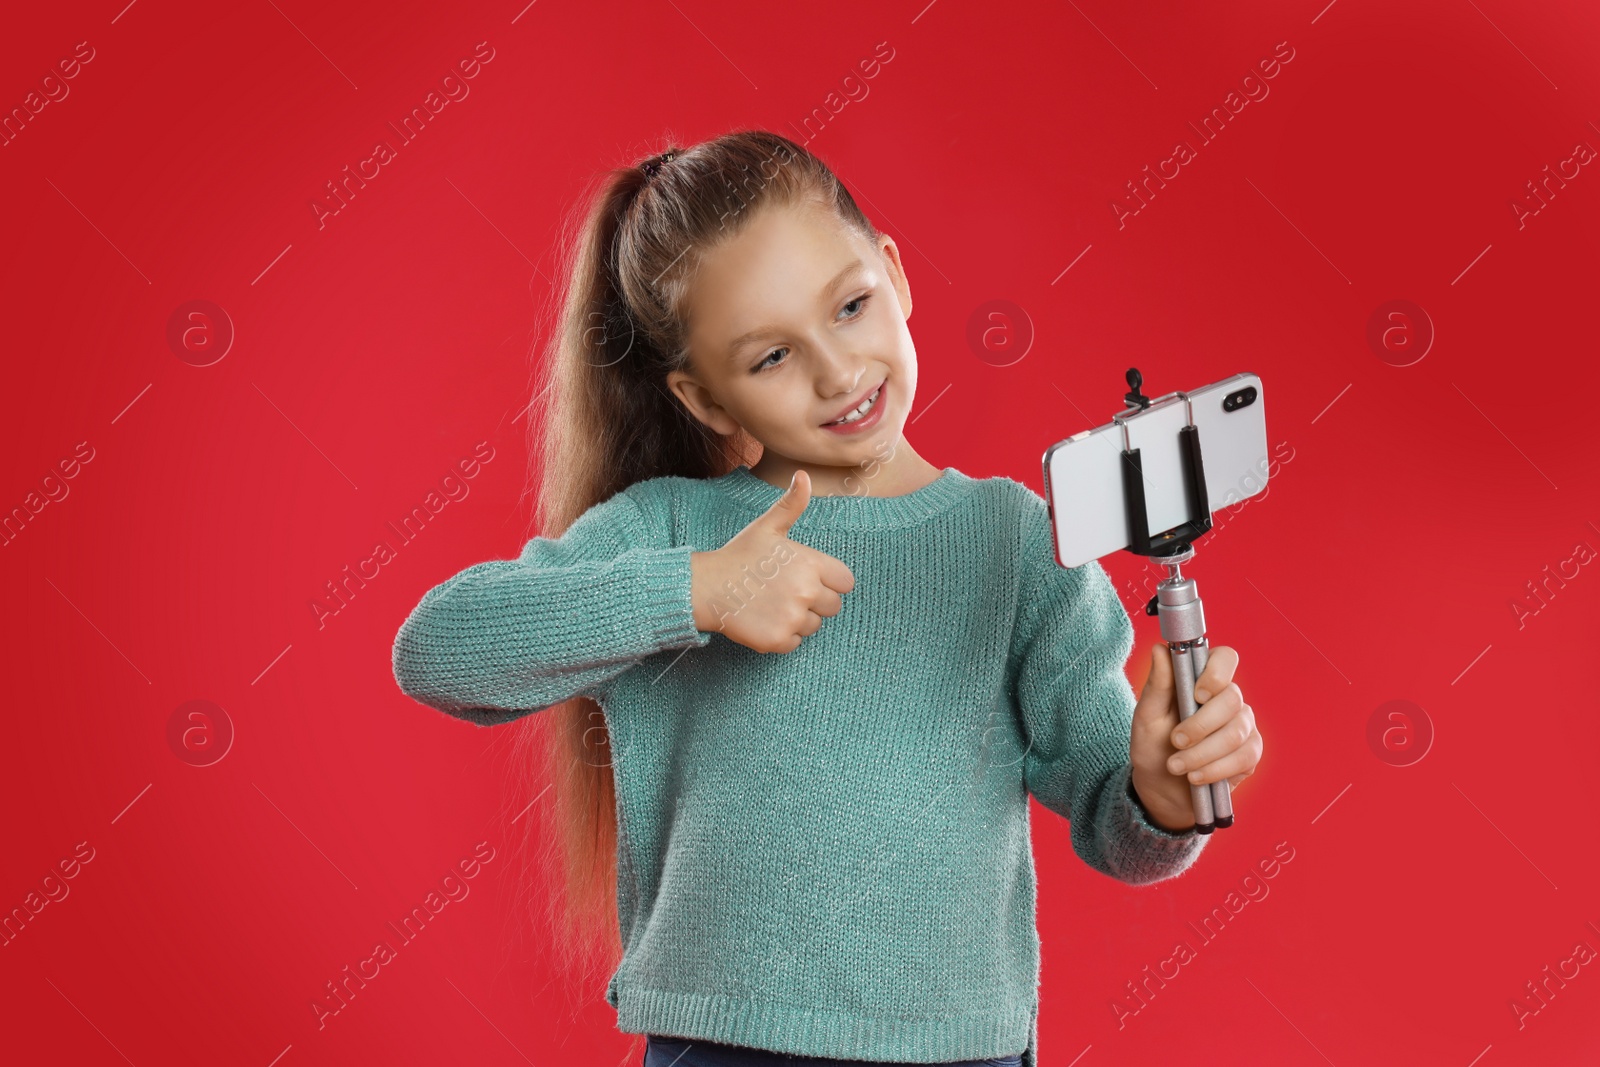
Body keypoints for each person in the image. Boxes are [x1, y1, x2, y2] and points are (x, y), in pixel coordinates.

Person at [390, 129, 1263, 1067]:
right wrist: (696, 592)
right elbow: (439, 650)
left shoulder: (1017, 547)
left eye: (850, 306)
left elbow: (1117, 823)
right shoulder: (673, 533)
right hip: (721, 1044)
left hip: (958, 1048)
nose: (839, 373)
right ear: (707, 400)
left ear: (893, 271)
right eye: (770, 357)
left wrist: (1164, 800)